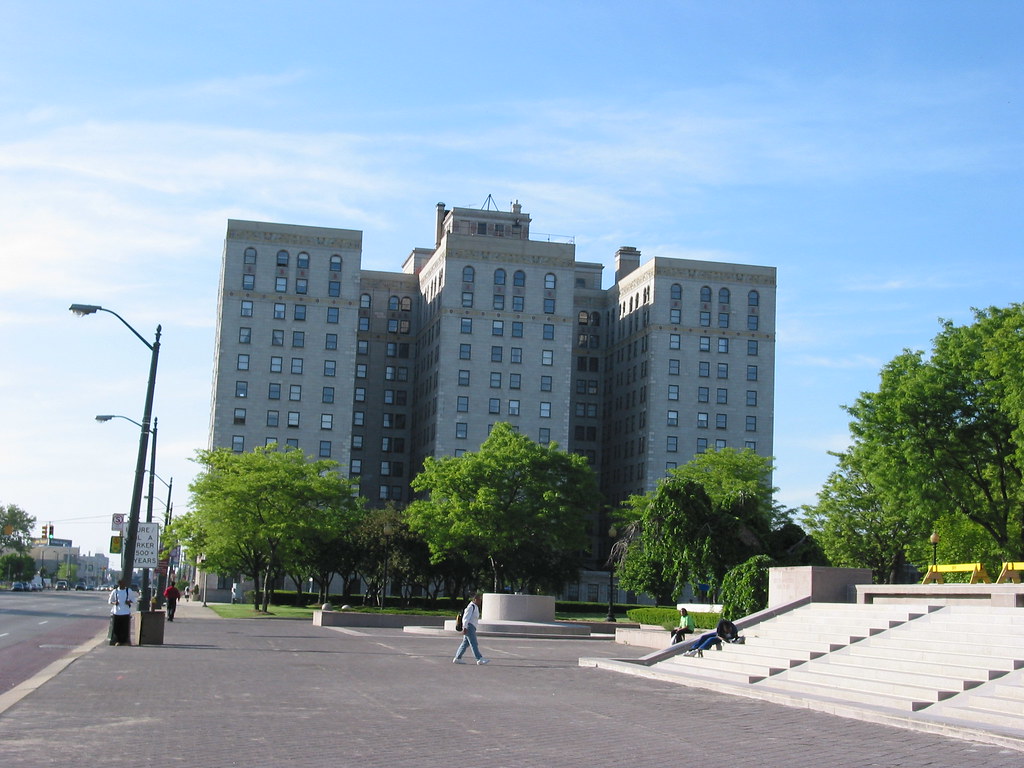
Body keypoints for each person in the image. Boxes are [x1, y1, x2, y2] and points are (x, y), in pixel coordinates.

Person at [452, 593, 489, 665]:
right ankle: (479, 658)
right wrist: (465, 627)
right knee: (473, 643)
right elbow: (466, 618)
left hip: (472, 627)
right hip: (469, 626)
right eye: (479, 600)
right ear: (475, 599)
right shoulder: (471, 607)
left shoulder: (475, 607)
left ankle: (457, 658)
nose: (480, 601)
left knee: (465, 643)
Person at [108, 579, 134, 646]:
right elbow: (110, 601)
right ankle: (117, 641)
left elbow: (134, 600)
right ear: (119, 584)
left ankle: (125, 641)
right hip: (117, 612)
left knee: (125, 628)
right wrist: (114, 603)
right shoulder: (115, 591)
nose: (123, 585)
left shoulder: (128, 591)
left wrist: (129, 602)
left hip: (126, 612)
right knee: (117, 628)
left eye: (123, 583)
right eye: (121, 584)